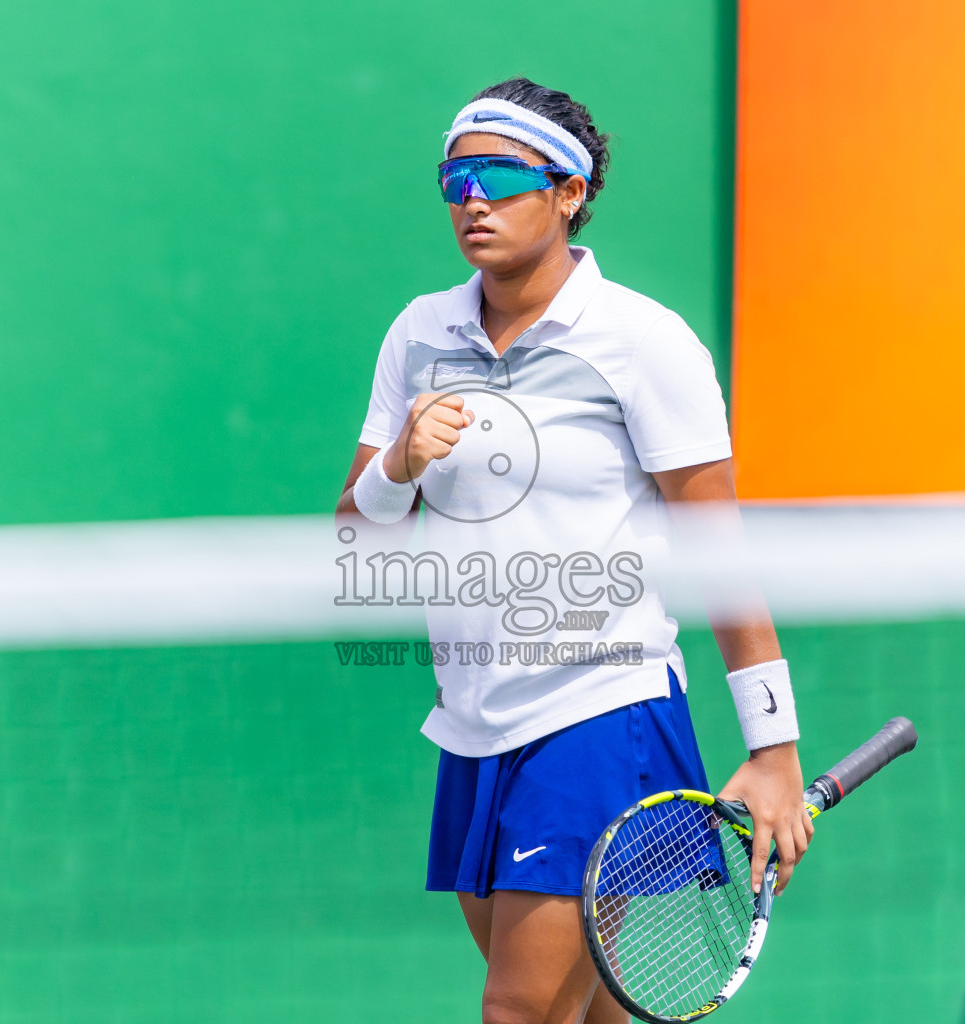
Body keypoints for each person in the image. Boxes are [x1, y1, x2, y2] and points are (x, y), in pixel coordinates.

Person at [336, 77, 812, 1024]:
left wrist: (774, 747)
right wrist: (398, 464)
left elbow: (717, 546)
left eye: (500, 175)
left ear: (568, 192)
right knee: (585, 1011)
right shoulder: (419, 331)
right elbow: (356, 534)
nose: (472, 198)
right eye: (454, 177)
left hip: (602, 710)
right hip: (472, 721)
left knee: (520, 1010)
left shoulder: (644, 341)